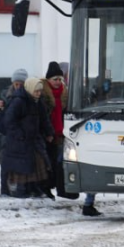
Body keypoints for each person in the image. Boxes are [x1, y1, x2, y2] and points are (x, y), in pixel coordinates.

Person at [1, 77, 52, 198]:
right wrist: (20, 134)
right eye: (36, 91)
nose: (38, 94)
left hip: (33, 139)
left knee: (36, 164)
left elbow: (44, 119)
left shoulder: (38, 102)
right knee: (22, 167)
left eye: (40, 91)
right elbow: (9, 120)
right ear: (30, 90)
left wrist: (49, 132)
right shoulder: (19, 101)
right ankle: (21, 190)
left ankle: (34, 188)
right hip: (20, 141)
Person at [41, 61, 78, 200]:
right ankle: (46, 189)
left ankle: (61, 189)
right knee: (48, 163)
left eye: (59, 79)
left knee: (60, 163)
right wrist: (47, 133)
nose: (57, 82)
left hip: (61, 134)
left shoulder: (64, 93)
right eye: (54, 79)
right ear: (48, 79)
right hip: (48, 135)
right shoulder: (44, 93)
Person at [0, 68, 27, 196]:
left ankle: (19, 189)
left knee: (19, 165)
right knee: (5, 165)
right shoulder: (5, 95)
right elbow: (0, 118)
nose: (18, 86)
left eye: (21, 84)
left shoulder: (25, 96)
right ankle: (4, 190)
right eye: (16, 83)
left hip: (18, 135)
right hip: (6, 136)